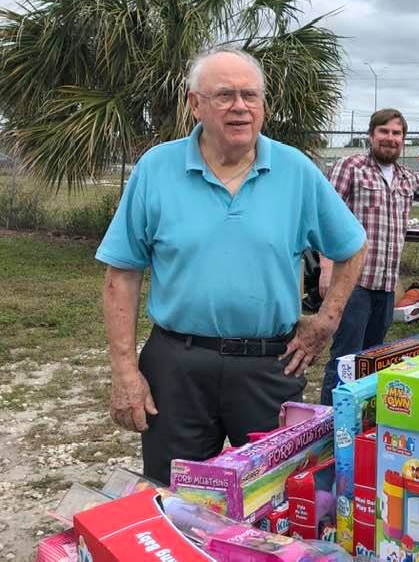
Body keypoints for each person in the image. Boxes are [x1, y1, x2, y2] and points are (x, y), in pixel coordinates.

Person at [96, 49, 367, 485]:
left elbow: (352, 246)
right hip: (176, 366)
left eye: (250, 95)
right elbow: (121, 274)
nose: (240, 106)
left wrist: (326, 321)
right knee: (173, 497)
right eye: (224, 95)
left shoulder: (295, 170)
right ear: (194, 104)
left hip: (268, 365)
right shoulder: (156, 168)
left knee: (276, 498)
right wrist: (125, 371)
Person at [318, 110, 419, 404]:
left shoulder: (406, 178)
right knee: (345, 359)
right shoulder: (350, 167)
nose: (390, 139)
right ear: (371, 135)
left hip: (386, 286)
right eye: (384, 132)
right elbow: (325, 215)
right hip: (353, 283)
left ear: (403, 139)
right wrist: (326, 267)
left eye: (396, 133)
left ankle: (360, 417)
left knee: (374, 357)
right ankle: (328, 425)